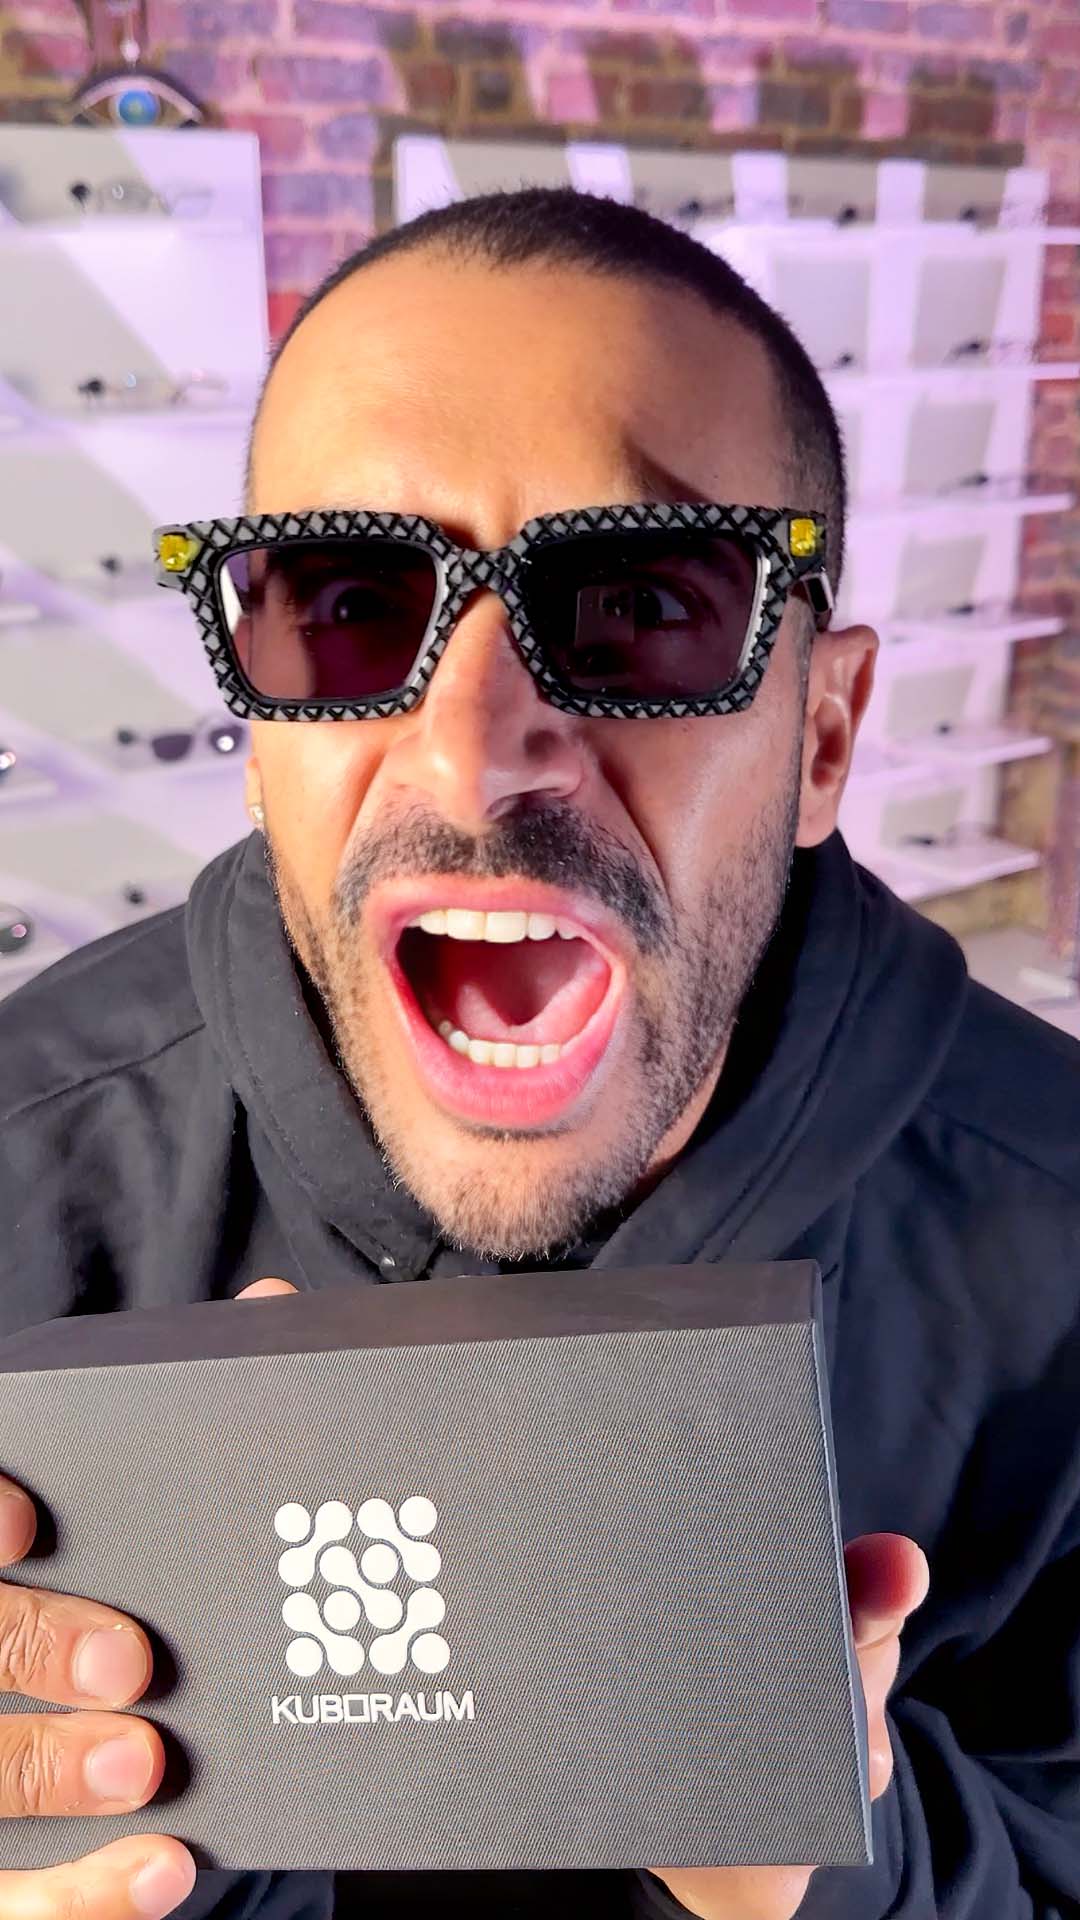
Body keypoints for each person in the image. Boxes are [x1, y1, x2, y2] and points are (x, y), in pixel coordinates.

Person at [0, 186, 1077, 1920]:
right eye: (353, 602)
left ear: (823, 735)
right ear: (258, 730)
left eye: (640, 599)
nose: (473, 752)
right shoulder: (21, 1175)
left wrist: (840, 1864)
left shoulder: (1060, 1234)